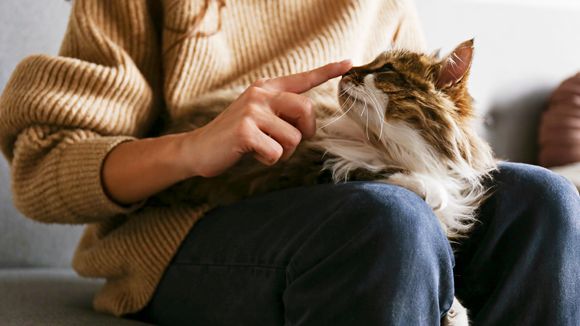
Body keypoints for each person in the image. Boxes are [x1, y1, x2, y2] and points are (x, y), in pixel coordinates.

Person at [0, 0, 578, 325]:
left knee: (544, 201)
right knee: (388, 222)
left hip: (352, 199)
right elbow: (43, 168)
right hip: (189, 230)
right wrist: (192, 148)